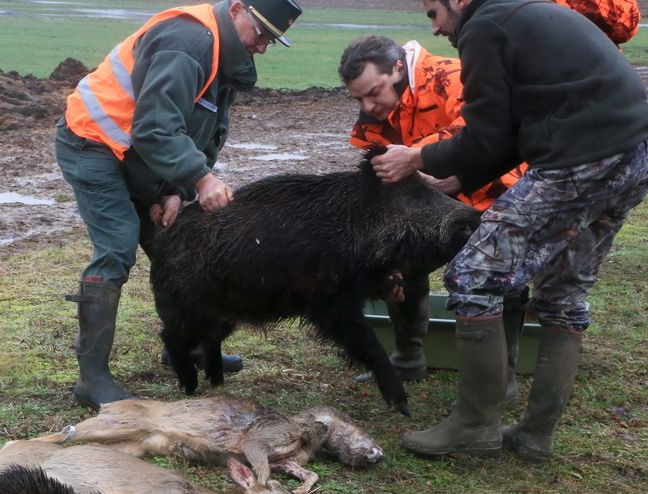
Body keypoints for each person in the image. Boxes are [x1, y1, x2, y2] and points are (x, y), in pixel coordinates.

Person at [372, 0, 648, 461]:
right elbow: (511, 131)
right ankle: (536, 434)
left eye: (433, 14)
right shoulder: (520, 15)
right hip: (631, 156)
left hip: (581, 159)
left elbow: (484, 134)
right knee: (564, 292)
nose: (436, 29)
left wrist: (416, 157)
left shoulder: (485, 25)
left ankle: (476, 425)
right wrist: (462, 177)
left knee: (471, 276)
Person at [56, 0, 303, 409]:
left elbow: (202, 131)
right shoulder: (187, 41)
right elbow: (154, 128)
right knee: (118, 245)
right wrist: (202, 180)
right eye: (260, 33)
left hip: (137, 152)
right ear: (238, 8)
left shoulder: (225, 53)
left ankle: (184, 347)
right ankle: (92, 379)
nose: (262, 46)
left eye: (272, 41)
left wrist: (175, 189)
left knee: (177, 244)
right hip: (93, 142)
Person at [338, 35, 528, 401]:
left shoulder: (454, 76)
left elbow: (491, 132)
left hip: (495, 194)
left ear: (397, 68)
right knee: (399, 259)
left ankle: (503, 378)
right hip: (428, 206)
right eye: (358, 98)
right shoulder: (376, 113)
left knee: (502, 278)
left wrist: (422, 158)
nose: (368, 105)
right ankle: (407, 357)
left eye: (374, 92)